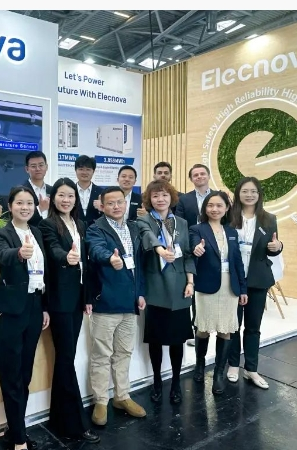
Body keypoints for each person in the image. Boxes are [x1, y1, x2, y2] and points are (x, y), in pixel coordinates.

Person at [38, 178, 100, 444]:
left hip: (76, 299)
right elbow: (53, 250)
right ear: (53, 198)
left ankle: (59, 419)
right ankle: (75, 424)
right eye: (61, 195)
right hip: (59, 300)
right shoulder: (47, 225)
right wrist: (66, 257)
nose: (66, 200)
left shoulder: (80, 224)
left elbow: (85, 264)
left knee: (66, 358)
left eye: (71, 196)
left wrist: (87, 297)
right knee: (65, 359)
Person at [0, 186, 51, 450]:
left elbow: (43, 274)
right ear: (10, 206)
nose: (25, 207)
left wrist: (44, 307)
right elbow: (2, 254)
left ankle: (15, 427)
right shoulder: (1, 233)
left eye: (29, 203)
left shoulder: (37, 232)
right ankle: (18, 438)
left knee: (25, 373)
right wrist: (18, 253)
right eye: (19, 203)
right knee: (10, 373)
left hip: (35, 306)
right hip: (10, 310)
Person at [85, 186, 147, 426]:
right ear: (102, 206)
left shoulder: (133, 227)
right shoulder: (96, 228)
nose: (116, 206)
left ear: (126, 203)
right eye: (110, 203)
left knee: (124, 353)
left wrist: (140, 293)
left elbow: (138, 265)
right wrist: (110, 258)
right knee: (102, 354)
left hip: (130, 303)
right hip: (106, 302)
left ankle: (122, 396)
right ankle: (101, 400)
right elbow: (96, 250)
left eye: (120, 202)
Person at [136, 180, 195, 405]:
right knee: (156, 339)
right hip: (155, 285)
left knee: (177, 340)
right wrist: (161, 250)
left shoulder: (181, 222)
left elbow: (187, 254)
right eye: (155, 196)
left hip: (180, 286)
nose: (160, 199)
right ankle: (157, 381)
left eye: (164, 195)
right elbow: (147, 236)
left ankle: (176, 381)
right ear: (149, 200)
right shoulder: (144, 220)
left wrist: (190, 281)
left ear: (171, 197)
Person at [227, 177, 283, 389]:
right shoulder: (228, 216)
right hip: (232, 279)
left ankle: (251, 369)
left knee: (253, 327)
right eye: (245, 191)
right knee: (232, 326)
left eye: (253, 191)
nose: (249, 195)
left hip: (258, 279)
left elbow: (274, 245)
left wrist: (278, 247)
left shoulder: (269, 219)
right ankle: (233, 365)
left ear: (259, 195)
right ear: (238, 193)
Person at [189, 191, 248, 395]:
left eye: (219, 205)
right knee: (203, 328)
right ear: (205, 208)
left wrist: (242, 288)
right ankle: (199, 365)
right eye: (210, 205)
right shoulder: (197, 229)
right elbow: (193, 246)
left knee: (226, 330)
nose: (214, 209)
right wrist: (196, 249)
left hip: (229, 286)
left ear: (226, 208)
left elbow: (238, 262)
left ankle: (218, 374)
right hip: (206, 286)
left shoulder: (231, 231)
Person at [175, 163, 212, 347]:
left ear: (208, 176)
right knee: (193, 288)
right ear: (191, 179)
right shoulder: (184, 199)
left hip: (213, 249)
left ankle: (210, 324)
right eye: (195, 175)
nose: (199, 177)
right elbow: (180, 223)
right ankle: (197, 328)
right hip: (191, 249)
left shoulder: (219, 196)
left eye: (202, 174)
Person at [22, 151, 52, 226]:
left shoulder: (52, 190)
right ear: (27, 169)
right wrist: (40, 209)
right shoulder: (20, 191)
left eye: (41, 165)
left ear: (46, 167)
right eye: (33, 166)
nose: (38, 169)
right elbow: (18, 217)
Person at [74, 155, 103, 227]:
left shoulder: (101, 192)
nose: (84, 172)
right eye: (81, 169)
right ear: (76, 170)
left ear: (93, 171)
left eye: (88, 169)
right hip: (73, 229)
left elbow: (108, 215)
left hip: (96, 230)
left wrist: (102, 208)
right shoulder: (70, 191)